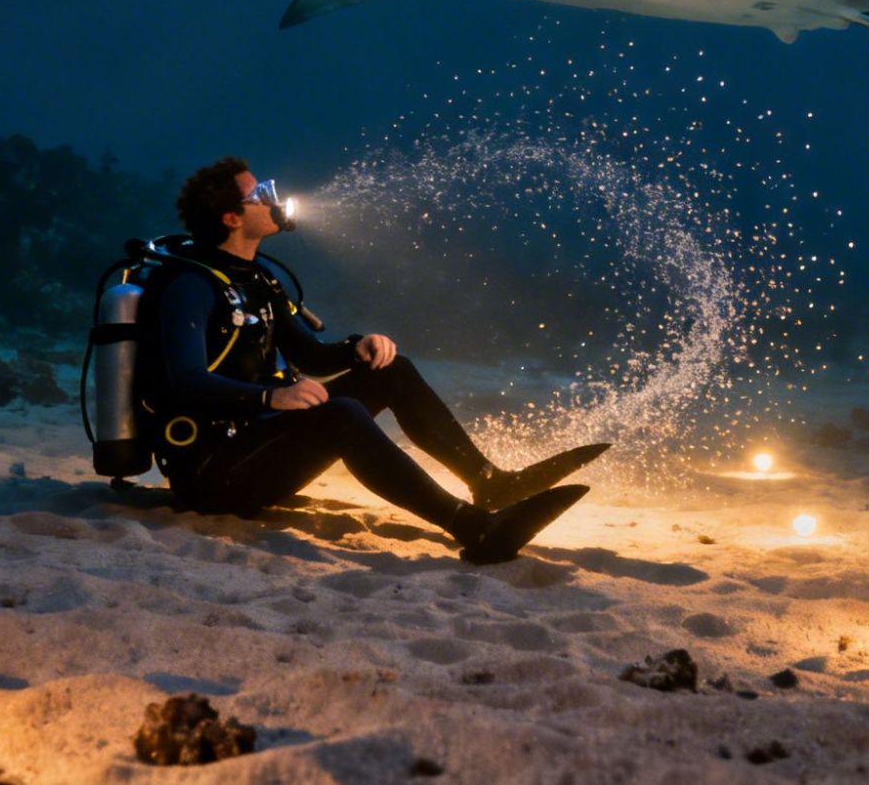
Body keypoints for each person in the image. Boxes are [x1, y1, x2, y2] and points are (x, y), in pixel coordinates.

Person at [142, 156, 608, 564]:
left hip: (261, 450)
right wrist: (273, 395)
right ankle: (474, 528)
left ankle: (491, 483)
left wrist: (358, 347)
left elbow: (313, 356)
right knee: (341, 415)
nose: (272, 197)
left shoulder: (258, 280)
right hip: (212, 475)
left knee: (393, 373)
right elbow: (185, 381)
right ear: (230, 217)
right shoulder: (190, 286)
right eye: (258, 193)